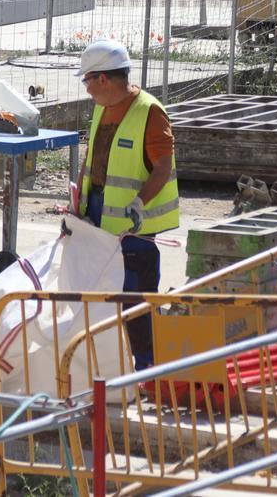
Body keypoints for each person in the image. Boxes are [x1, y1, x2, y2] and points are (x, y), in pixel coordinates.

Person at [76, 39, 180, 370]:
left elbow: (163, 166)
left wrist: (139, 201)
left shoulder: (148, 112)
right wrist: (79, 194)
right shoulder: (102, 107)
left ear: (103, 79)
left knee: (135, 300)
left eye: (87, 81)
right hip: (97, 215)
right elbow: (93, 156)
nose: (87, 89)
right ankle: (107, 367)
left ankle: (149, 368)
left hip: (134, 227)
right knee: (98, 297)